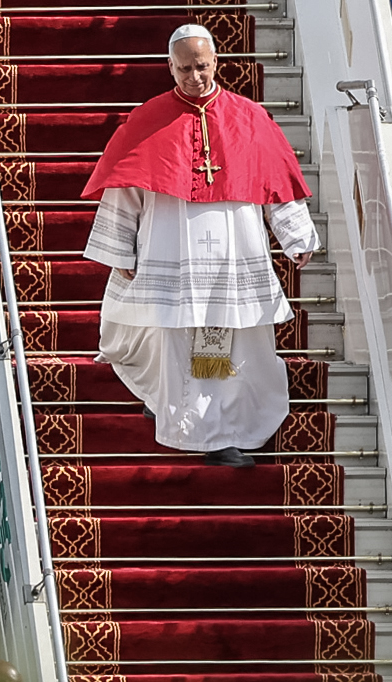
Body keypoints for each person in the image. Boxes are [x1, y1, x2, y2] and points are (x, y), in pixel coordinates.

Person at [83, 24, 318, 466]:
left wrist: (295, 235)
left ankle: (227, 427)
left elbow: (275, 181)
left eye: (203, 66)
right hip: (170, 249)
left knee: (230, 342)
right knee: (176, 341)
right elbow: (126, 188)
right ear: (170, 68)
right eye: (186, 68)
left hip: (235, 251)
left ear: (217, 63)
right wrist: (121, 251)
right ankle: (204, 433)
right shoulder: (149, 119)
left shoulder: (249, 117)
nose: (195, 77)